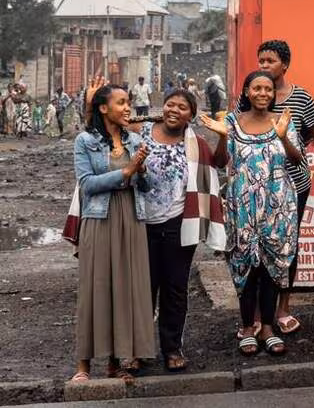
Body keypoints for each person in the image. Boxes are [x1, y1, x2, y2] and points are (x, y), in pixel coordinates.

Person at [201, 72, 303, 357]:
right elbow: (220, 162)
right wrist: (223, 136)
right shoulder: (232, 122)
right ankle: (248, 327)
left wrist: (283, 138)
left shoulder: (282, 120)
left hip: (277, 205)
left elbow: (297, 160)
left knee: (272, 266)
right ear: (247, 91)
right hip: (242, 205)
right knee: (244, 264)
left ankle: (268, 328)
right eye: (257, 88)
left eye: (268, 89)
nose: (263, 93)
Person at [138, 89, 229, 371]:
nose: (174, 110)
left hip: (178, 225)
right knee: (141, 289)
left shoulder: (196, 143)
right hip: (139, 224)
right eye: (170, 104)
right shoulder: (140, 134)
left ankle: (172, 348)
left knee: (175, 289)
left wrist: (223, 137)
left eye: (182, 107)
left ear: (191, 115)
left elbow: (219, 163)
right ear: (162, 107)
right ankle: (137, 349)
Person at [71, 83, 154, 383]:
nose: (128, 107)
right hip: (100, 219)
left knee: (125, 289)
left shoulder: (135, 140)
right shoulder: (85, 141)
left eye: (128, 101)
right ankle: (83, 366)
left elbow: (147, 187)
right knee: (95, 288)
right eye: (121, 102)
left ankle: (116, 363)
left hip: (131, 218)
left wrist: (141, 171)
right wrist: (126, 171)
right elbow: (87, 185)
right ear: (103, 108)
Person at [256, 39, 314, 334]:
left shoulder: (301, 98)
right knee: (258, 246)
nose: (264, 66)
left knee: (287, 244)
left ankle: (283, 307)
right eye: (261, 60)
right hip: (259, 185)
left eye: (270, 61)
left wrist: (287, 148)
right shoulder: (252, 94)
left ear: (285, 65)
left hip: (294, 182)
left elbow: (309, 133)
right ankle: (257, 312)